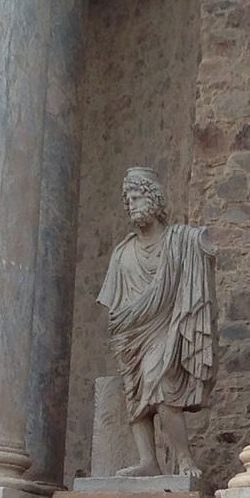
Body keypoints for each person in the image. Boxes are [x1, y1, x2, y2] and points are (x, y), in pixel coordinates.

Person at [97, 167, 217, 477]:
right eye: (128, 200)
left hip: (165, 328)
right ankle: (148, 461)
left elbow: (202, 246)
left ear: (153, 199)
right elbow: (115, 302)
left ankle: (184, 458)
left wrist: (201, 243)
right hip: (130, 336)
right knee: (136, 400)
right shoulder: (123, 253)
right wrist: (122, 327)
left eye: (137, 198)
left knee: (163, 391)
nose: (131, 205)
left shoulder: (177, 241)